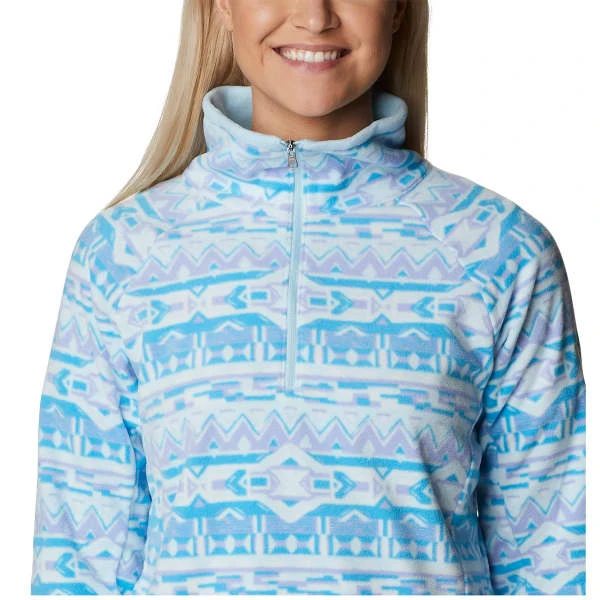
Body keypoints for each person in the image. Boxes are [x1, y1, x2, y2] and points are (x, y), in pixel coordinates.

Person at [30, 0, 586, 595]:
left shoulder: (501, 250)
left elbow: (548, 559)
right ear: (221, 7)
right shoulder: (120, 253)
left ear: (399, 8)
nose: (315, 16)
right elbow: (80, 566)